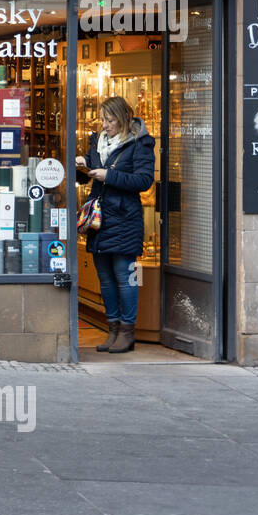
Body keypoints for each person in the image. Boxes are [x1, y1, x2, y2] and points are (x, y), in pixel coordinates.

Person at [75, 96, 156, 353]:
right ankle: (112, 329)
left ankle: (127, 331)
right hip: (99, 220)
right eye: (103, 119)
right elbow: (88, 178)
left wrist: (109, 175)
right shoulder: (97, 141)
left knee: (125, 277)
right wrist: (83, 167)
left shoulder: (140, 143)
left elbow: (144, 181)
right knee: (106, 279)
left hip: (124, 218)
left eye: (109, 120)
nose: (105, 124)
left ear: (122, 119)